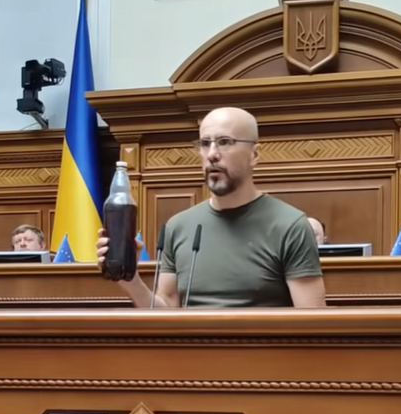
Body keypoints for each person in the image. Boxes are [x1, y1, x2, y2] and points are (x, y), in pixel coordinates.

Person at [97, 107, 326, 308]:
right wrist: (130, 280)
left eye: (225, 142)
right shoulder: (178, 226)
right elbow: (166, 313)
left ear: (254, 154)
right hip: (192, 345)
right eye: (205, 144)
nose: (212, 154)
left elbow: (313, 323)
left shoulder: (290, 225)